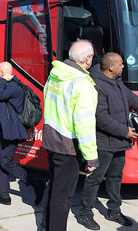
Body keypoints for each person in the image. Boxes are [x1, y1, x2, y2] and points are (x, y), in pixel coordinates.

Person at [41, 40, 99, 231]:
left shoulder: (55, 74)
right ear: (88, 59)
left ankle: (45, 226)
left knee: (54, 189)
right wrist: (91, 158)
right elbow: (85, 124)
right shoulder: (82, 84)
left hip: (51, 141)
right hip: (68, 147)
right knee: (62, 197)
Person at [77, 53, 137, 230]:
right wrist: (124, 131)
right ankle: (85, 214)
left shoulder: (117, 81)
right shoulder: (96, 85)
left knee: (115, 178)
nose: (123, 67)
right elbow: (101, 117)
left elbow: (132, 99)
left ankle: (114, 211)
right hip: (103, 142)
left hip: (118, 141)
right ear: (111, 67)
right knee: (94, 178)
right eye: (121, 64)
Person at [0, 62, 44, 206]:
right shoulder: (10, 85)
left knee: (5, 162)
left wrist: (3, 80)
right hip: (6, 132)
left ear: (1, 72)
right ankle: (4, 196)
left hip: (12, 132)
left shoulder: (12, 86)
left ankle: (36, 183)